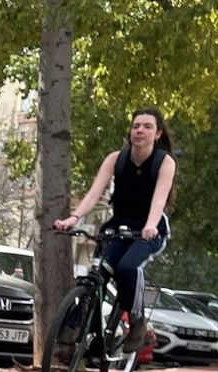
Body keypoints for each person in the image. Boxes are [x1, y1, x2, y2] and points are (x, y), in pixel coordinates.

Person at [54, 108, 177, 349]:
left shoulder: (164, 162)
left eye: (147, 126)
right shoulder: (115, 159)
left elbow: (159, 200)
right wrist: (74, 218)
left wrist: (151, 225)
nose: (139, 130)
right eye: (136, 126)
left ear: (158, 133)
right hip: (119, 226)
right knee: (99, 274)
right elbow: (93, 195)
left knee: (127, 268)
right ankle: (85, 330)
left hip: (149, 229)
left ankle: (137, 321)